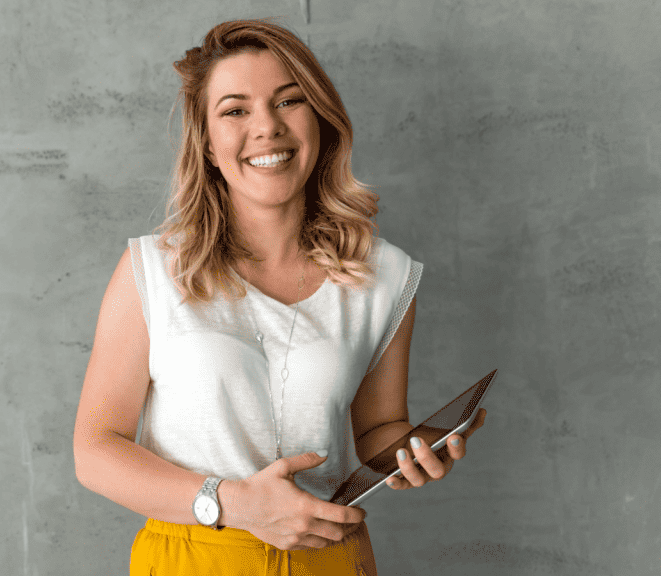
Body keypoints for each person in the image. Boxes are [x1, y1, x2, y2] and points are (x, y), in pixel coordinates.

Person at [73, 19, 486, 575]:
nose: (267, 127)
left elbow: (376, 433)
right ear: (209, 143)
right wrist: (234, 503)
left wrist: (412, 451)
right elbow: (96, 449)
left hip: (331, 561)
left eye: (289, 101)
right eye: (235, 110)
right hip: (191, 560)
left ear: (320, 121)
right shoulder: (153, 269)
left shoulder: (385, 276)